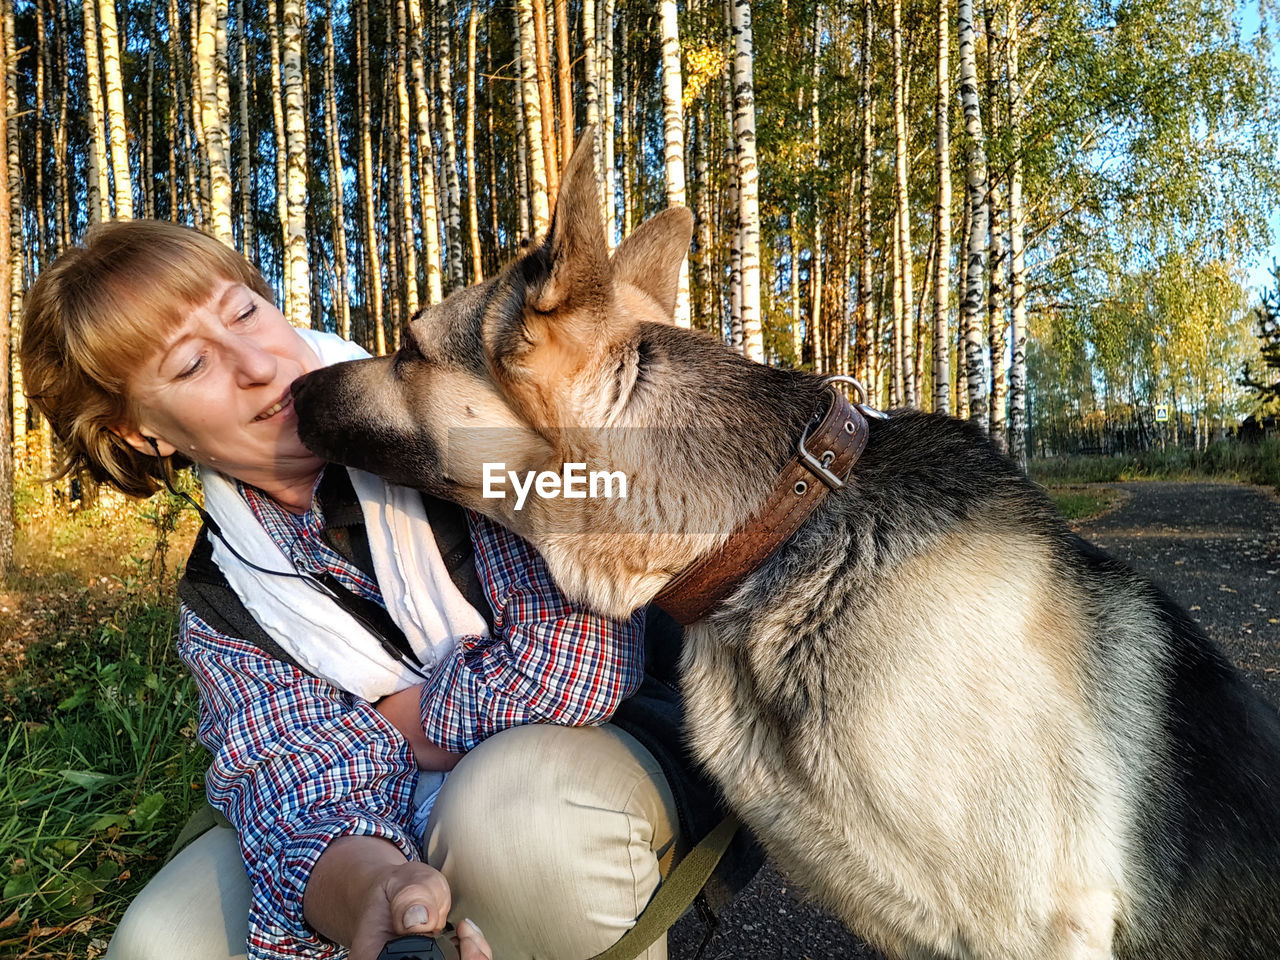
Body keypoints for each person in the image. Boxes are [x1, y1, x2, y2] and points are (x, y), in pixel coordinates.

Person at [19, 219, 699, 960]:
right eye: (191, 365)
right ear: (141, 434)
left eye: (245, 311)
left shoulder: (462, 420)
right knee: (160, 942)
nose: (257, 364)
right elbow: (296, 787)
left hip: (622, 741)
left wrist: (397, 723)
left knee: (512, 818)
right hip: (393, 810)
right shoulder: (223, 601)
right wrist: (380, 891)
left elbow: (578, 667)